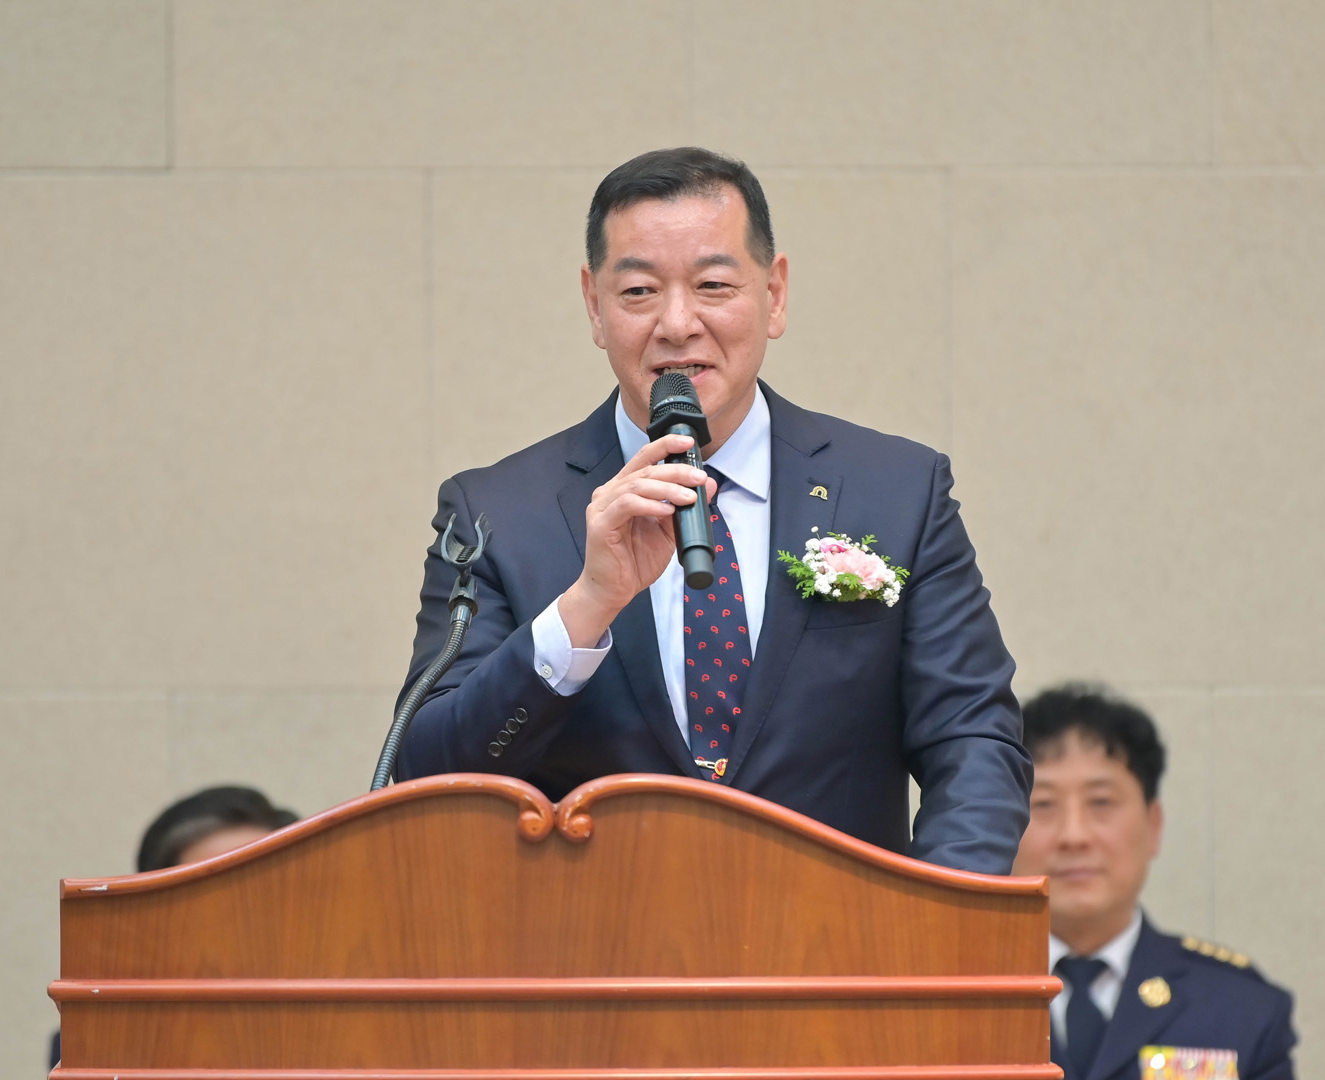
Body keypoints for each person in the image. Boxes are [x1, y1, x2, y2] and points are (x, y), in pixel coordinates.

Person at [394, 147, 1030, 874]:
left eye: (713, 285)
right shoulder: (496, 514)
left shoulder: (895, 489)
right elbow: (428, 776)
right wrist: (585, 608)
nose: (676, 323)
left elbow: (973, 739)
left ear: (774, 294)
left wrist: (936, 917)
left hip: (839, 934)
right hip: (593, 936)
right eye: (638, 291)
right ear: (594, 306)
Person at [1013, 685, 1296, 1080]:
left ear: (1154, 826)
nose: (1074, 836)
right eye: (1042, 804)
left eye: (1101, 802)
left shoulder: (1239, 1007)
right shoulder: (955, 999)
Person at [49, 785, 298, 1070]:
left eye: (262, 892)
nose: (243, 919)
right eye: (213, 898)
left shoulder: (334, 1023)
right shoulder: (100, 1046)